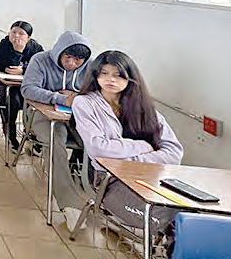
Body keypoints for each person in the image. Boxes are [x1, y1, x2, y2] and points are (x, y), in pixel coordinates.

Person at [73, 50, 183, 235]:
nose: (110, 79)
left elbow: (174, 153)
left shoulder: (144, 107)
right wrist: (144, 146)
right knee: (168, 218)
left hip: (151, 178)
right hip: (109, 181)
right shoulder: (85, 103)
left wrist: (133, 162)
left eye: (118, 75)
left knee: (187, 211)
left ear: (130, 77)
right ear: (96, 75)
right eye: (104, 73)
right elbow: (99, 148)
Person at [21, 30, 93, 228]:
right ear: (59, 51)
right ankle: (70, 205)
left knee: (98, 143)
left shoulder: (90, 67)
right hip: (42, 115)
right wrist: (60, 98)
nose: (72, 64)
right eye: (68, 58)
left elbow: (96, 94)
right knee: (56, 142)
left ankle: (106, 203)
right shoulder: (40, 60)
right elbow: (28, 89)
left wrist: (77, 96)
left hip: (76, 118)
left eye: (78, 60)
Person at [0, 21, 44, 152]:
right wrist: (17, 52)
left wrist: (24, 70)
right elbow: (5, 67)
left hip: (26, 85)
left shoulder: (36, 49)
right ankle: (11, 135)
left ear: (28, 37)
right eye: (13, 32)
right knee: (12, 100)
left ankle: (33, 136)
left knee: (34, 103)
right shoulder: (2, 46)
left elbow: (40, 67)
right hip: (4, 85)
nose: (16, 36)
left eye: (21, 34)